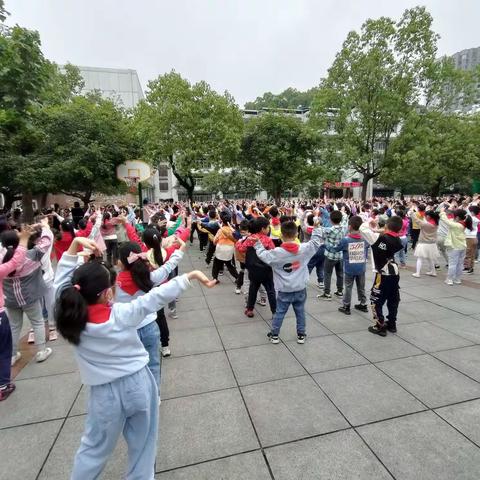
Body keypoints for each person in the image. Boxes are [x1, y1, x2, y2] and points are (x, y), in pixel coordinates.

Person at [54, 236, 216, 480]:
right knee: (143, 446)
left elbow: (59, 288)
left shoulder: (69, 319)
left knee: (93, 448)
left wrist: (72, 249)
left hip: (103, 393)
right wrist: (189, 276)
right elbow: (155, 297)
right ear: (109, 293)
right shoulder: (121, 314)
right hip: (138, 385)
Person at [115, 240, 185, 390]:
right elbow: (168, 267)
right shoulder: (149, 278)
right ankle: (155, 395)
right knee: (153, 363)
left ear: (121, 261)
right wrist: (179, 251)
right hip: (149, 327)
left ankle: (135, 394)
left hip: (127, 330)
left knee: (130, 366)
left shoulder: (112, 283)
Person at [254, 220, 322, 343]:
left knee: (280, 312)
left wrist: (257, 244)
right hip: (300, 288)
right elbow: (315, 243)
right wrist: (316, 227)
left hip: (284, 290)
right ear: (296, 235)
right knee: (300, 311)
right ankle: (301, 335)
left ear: (281, 235)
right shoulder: (304, 249)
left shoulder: (277, 253)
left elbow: (263, 254)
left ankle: (274, 335)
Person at [2, 220, 54, 364]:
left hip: (10, 299)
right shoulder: (31, 255)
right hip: (30, 296)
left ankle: (12, 355)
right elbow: (46, 242)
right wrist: (44, 227)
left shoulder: (2, 261)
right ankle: (41, 351)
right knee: (37, 322)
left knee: (14, 326)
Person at [0, 226, 31, 401]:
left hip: (9, 305)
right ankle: (3, 386)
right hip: (1, 314)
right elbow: (15, 261)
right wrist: (24, 239)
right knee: (3, 349)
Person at [359, 216, 404, 337]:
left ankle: (380, 324)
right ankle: (392, 324)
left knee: (376, 299)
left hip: (382, 273)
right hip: (394, 273)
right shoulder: (398, 240)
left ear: (386, 226)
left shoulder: (379, 238)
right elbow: (390, 234)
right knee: (393, 299)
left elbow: (362, 228)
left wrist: (370, 222)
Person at [326, 216, 369, 315]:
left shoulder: (346, 240)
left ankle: (346, 306)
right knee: (361, 286)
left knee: (348, 287)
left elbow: (335, 249)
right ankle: (363, 303)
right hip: (361, 267)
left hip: (350, 268)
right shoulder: (365, 239)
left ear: (349, 227)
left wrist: (326, 245)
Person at [236, 217, 276, 318]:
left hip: (252, 269)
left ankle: (250, 309)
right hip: (266, 270)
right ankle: (274, 312)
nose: (268, 229)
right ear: (262, 229)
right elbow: (273, 251)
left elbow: (240, 248)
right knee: (270, 290)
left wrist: (239, 241)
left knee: (253, 288)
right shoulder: (267, 240)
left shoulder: (250, 239)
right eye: (268, 227)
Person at [318, 210, 347, 300]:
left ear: (330, 220)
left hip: (330, 255)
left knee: (327, 273)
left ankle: (327, 293)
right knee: (340, 274)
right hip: (340, 254)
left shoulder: (329, 230)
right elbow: (345, 218)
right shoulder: (344, 228)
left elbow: (319, 232)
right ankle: (340, 291)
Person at [440, 208, 471, 285]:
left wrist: (442, 212)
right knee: (459, 264)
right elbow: (450, 220)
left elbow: (446, 221)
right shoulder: (463, 224)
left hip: (454, 247)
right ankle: (457, 279)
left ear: (457, 217)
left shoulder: (457, 225)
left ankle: (449, 279)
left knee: (453, 264)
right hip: (462, 246)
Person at [212, 211, 239, 283]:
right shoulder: (233, 230)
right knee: (229, 264)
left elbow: (215, 240)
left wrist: (215, 243)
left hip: (220, 248)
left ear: (222, 221)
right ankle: (237, 277)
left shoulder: (220, 230)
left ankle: (215, 278)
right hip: (229, 248)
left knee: (216, 264)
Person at [412, 210, 440, 278]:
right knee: (430, 258)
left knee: (420, 258)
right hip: (432, 244)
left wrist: (413, 214)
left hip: (423, 243)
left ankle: (417, 273)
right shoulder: (435, 223)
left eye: (426, 216)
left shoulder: (426, 224)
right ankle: (433, 272)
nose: (425, 217)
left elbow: (417, 220)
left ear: (428, 216)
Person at [464, 205, 479, 274]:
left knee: (468, 254)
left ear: (471, 212)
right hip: (474, 237)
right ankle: (470, 268)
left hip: (469, 238)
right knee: (471, 254)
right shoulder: (476, 219)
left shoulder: (470, 219)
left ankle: (469, 269)